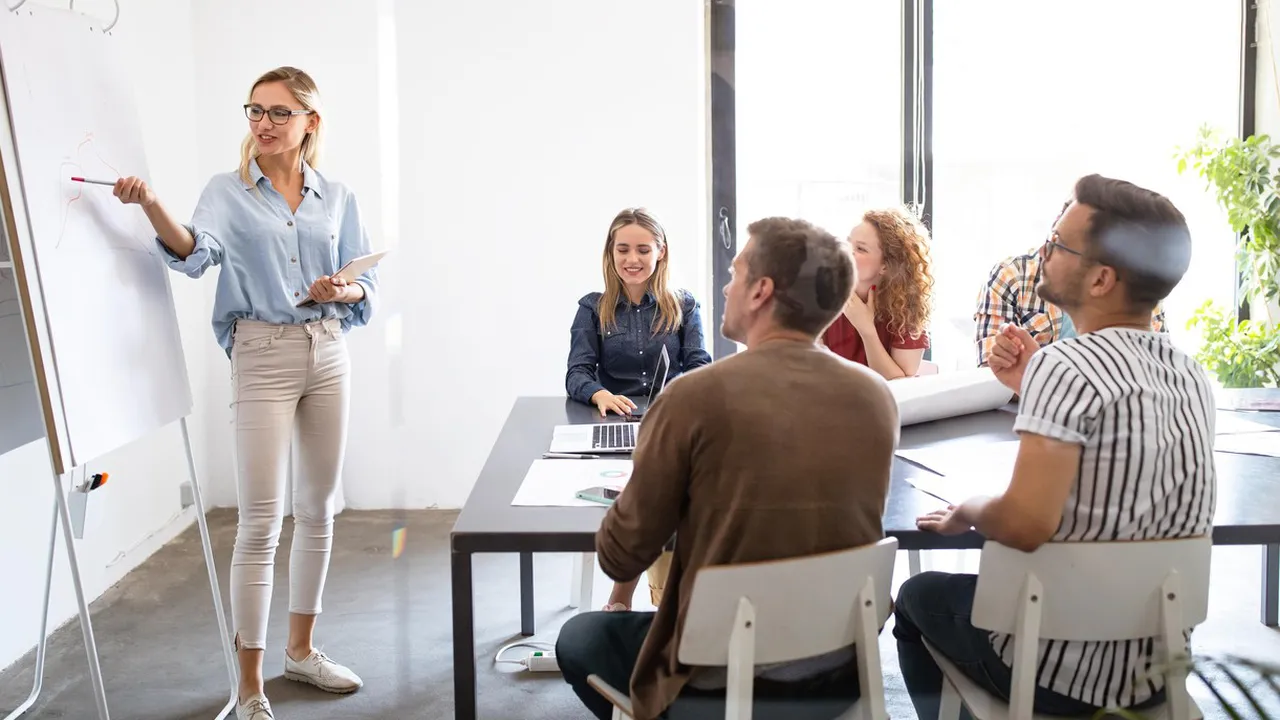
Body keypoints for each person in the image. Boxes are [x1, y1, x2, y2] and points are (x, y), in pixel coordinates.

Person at [556, 216, 900, 720]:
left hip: (715, 672)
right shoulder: (877, 398)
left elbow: (619, 557)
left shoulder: (690, 398)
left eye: (736, 272)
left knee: (580, 635)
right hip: (837, 671)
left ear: (761, 291)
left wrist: (644, 483)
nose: (725, 284)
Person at [896, 174, 1214, 720]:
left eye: (1059, 244)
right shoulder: (1189, 372)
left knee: (917, 597)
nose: (1043, 251)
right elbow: (1120, 442)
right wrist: (1030, 386)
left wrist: (968, 509)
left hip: (1057, 674)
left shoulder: (1063, 365)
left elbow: (1024, 524)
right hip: (1156, 670)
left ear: (1101, 280)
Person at [113, 67, 374, 720]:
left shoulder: (335, 195)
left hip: (329, 350)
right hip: (262, 355)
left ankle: (302, 652)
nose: (263, 123)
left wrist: (342, 290)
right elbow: (195, 254)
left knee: (318, 510)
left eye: (279, 113)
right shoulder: (226, 193)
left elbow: (364, 283)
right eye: (255, 111)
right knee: (260, 523)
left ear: (310, 122)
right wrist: (149, 203)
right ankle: (251, 686)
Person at [566, 207, 713, 612]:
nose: (632, 259)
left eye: (643, 249)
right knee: (651, 492)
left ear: (661, 252)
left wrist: (676, 394)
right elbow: (577, 373)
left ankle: (649, 600)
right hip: (617, 425)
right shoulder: (592, 308)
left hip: (670, 424)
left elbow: (701, 365)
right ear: (610, 253)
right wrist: (599, 395)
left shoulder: (683, 304)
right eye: (623, 249)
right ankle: (633, 599)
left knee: (672, 490)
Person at [974, 201, 1165, 367]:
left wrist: (1039, 371)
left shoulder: (1138, 290)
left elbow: (1153, 370)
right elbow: (991, 374)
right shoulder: (1011, 276)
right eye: (1051, 237)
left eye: (1060, 244)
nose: (1043, 250)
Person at [820, 207, 934, 380]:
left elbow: (899, 384)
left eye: (861, 249)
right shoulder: (823, 298)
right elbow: (813, 371)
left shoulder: (907, 310)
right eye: (848, 243)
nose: (847, 252)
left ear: (886, 266)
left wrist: (866, 330)